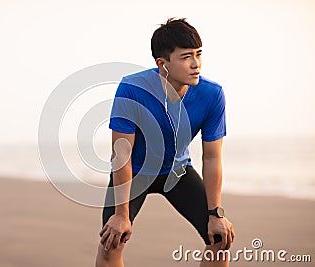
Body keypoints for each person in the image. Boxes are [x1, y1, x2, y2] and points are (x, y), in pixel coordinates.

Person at [95, 18, 235, 267]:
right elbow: (122, 156)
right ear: (163, 64)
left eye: (198, 54)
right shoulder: (132, 89)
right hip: (135, 172)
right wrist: (120, 215)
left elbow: (212, 157)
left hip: (177, 172)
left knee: (219, 238)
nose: (196, 64)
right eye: (186, 57)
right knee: (111, 242)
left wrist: (216, 213)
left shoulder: (212, 95)